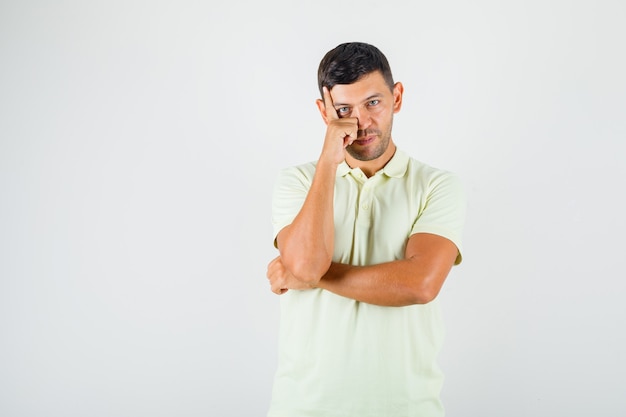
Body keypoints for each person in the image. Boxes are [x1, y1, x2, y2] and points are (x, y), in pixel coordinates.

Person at [266, 41, 467, 417]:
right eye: (343, 109)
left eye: (373, 103)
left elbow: (419, 285)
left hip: (407, 409)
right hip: (304, 408)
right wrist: (329, 159)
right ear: (324, 113)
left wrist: (310, 275)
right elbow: (308, 263)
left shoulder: (437, 185)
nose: (360, 123)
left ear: (397, 97)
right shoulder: (296, 182)